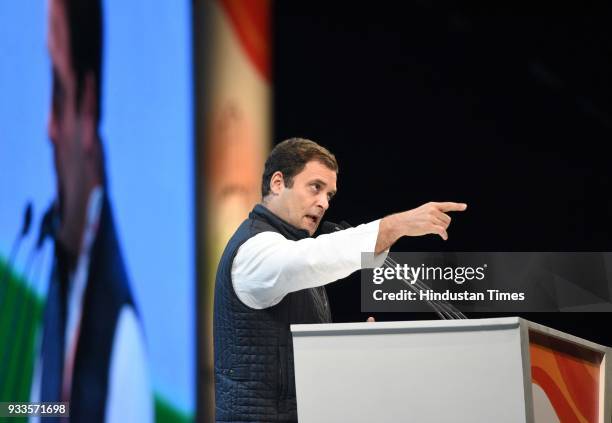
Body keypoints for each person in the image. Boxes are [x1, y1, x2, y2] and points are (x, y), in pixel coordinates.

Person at [213, 137, 467, 422]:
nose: (323, 203)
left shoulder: (292, 249)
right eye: (315, 188)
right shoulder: (254, 251)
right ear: (277, 183)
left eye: (329, 195)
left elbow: (301, 367)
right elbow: (314, 258)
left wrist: (353, 351)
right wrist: (397, 225)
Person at [32, 0, 154, 421]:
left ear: (85, 103)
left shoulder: (121, 343)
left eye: (57, 90)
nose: (48, 126)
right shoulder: (61, 284)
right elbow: (38, 408)